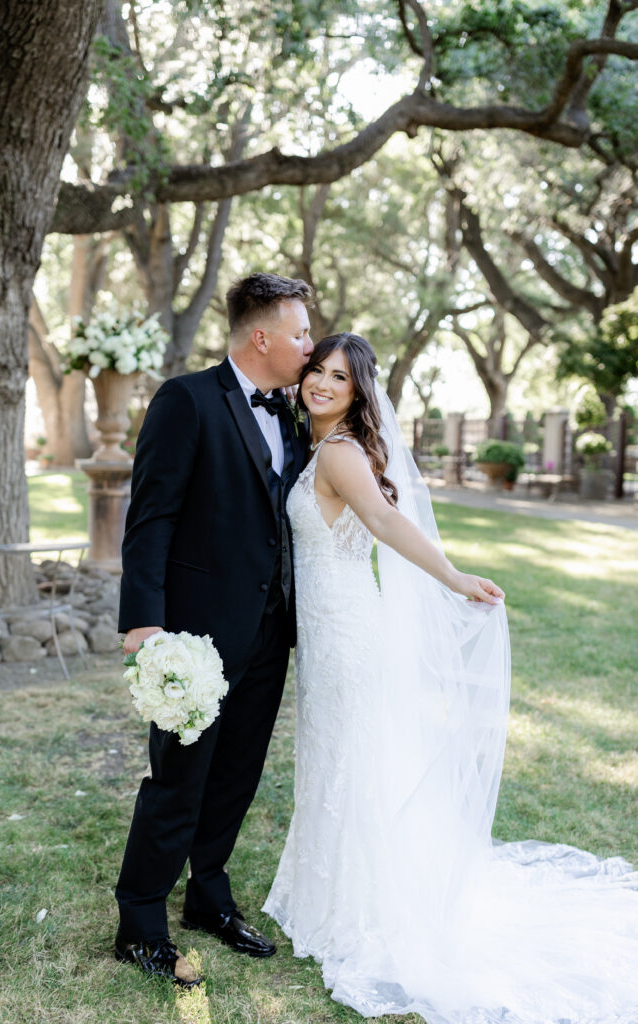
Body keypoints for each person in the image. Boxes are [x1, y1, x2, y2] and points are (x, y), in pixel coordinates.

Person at [263, 332, 638, 1023]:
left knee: (351, 757)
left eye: (337, 378)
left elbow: (382, 520)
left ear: (357, 394)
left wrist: (453, 576)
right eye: (316, 370)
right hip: (329, 632)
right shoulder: (319, 445)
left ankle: (359, 906)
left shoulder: (341, 453)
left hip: (347, 634)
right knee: (339, 755)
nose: (319, 383)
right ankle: (332, 891)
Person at [115, 272, 313, 986]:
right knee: (179, 780)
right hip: (194, 638)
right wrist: (144, 626)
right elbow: (151, 518)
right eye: (299, 333)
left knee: (236, 774)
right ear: (260, 337)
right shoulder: (186, 400)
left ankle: (208, 897)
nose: (308, 345)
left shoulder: (293, 414)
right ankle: (138, 920)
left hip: (268, 634)